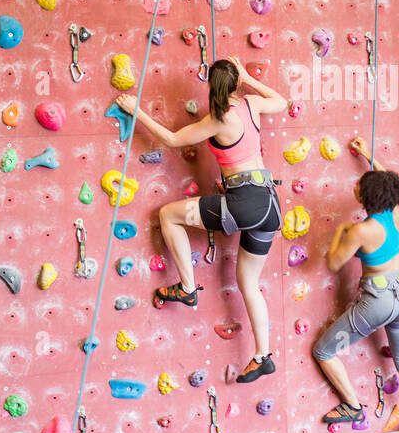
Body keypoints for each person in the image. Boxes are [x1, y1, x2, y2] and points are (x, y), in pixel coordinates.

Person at [116, 56, 287, 382]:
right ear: (236, 84)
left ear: (213, 87)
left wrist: (135, 111)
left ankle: (188, 287)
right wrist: (247, 79)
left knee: (168, 215)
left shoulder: (219, 119)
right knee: (249, 283)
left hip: (245, 201)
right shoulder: (251, 104)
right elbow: (280, 101)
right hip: (269, 204)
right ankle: (262, 356)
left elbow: (172, 139)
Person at [312, 135, 399, 433]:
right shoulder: (398, 211)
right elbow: (395, 180)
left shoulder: (361, 231)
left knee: (323, 351)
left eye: (361, 187)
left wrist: (340, 233)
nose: (356, 188)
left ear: (368, 199)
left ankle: (352, 405)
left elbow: (334, 262)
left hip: (378, 302)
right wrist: (366, 153)